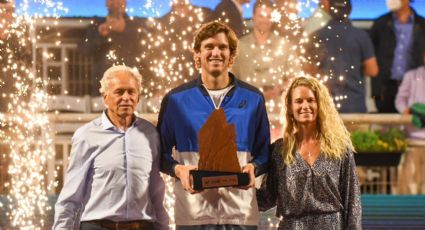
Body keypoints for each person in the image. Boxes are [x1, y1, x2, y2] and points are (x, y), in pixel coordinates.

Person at [158, 21, 270, 229]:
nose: (216, 52)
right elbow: (159, 154)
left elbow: (264, 153)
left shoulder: (254, 98)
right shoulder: (176, 100)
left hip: (241, 215)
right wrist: (178, 170)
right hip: (193, 215)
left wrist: (254, 167)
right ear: (197, 54)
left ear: (231, 55)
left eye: (222, 47)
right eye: (209, 47)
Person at [53, 65, 169, 230]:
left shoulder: (150, 134)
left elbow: (157, 191)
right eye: (119, 92)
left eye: (131, 92)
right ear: (104, 96)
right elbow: (71, 196)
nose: (126, 97)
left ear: (138, 97)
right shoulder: (86, 136)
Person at [257, 76, 362, 229]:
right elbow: (267, 198)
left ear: (320, 105)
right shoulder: (279, 150)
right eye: (299, 101)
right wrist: (235, 186)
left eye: (311, 100)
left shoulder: (340, 148)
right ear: (290, 108)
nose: (305, 105)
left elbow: (353, 201)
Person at [313, 0, 378, 113]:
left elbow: (310, 70)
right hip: (355, 105)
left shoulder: (317, 36)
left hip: (327, 105)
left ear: (329, 10)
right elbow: (373, 70)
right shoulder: (361, 36)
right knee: (358, 132)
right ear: (350, 10)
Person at [232, 0, 294, 103]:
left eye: (268, 16)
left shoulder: (284, 45)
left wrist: (279, 90)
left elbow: (294, 76)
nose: (264, 20)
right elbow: (230, 78)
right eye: (261, 16)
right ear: (253, 16)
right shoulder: (240, 46)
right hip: (247, 105)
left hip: (277, 106)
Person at [79, 0, 145, 96]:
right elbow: (83, 50)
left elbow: (146, 50)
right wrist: (100, 35)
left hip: (131, 88)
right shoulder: (96, 25)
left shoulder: (136, 25)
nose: (116, 2)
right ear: (106, 3)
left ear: (125, 2)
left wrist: (124, 29)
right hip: (103, 89)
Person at [370, 0, 425, 113]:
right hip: (385, 88)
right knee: (386, 128)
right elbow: (369, 53)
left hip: (415, 88)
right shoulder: (380, 23)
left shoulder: (422, 25)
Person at [395, 50, 425, 194]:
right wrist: (405, 109)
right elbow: (400, 100)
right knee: (407, 188)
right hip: (412, 141)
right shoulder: (411, 76)